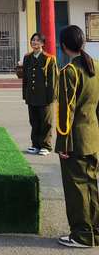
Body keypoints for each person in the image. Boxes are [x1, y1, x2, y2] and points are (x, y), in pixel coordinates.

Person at [55, 25, 99, 248]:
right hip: (93, 137)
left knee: (77, 190)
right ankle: (95, 231)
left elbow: (65, 113)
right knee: (91, 186)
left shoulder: (69, 72)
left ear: (63, 45)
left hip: (76, 141)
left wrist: (63, 145)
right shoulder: (96, 67)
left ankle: (81, 235)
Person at [22, 32, 58, 156]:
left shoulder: (49, 59)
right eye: (33, 40)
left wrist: (51, 97)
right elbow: (25, 79)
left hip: (45, 96)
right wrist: (25, 95)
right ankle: (35, 144)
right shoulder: (27, 57)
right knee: (34, 121)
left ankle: (46, 146)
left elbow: (53, 80)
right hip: (31, 95)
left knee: (46, 122)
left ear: (42, 43)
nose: (34, 42)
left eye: (37, 40)